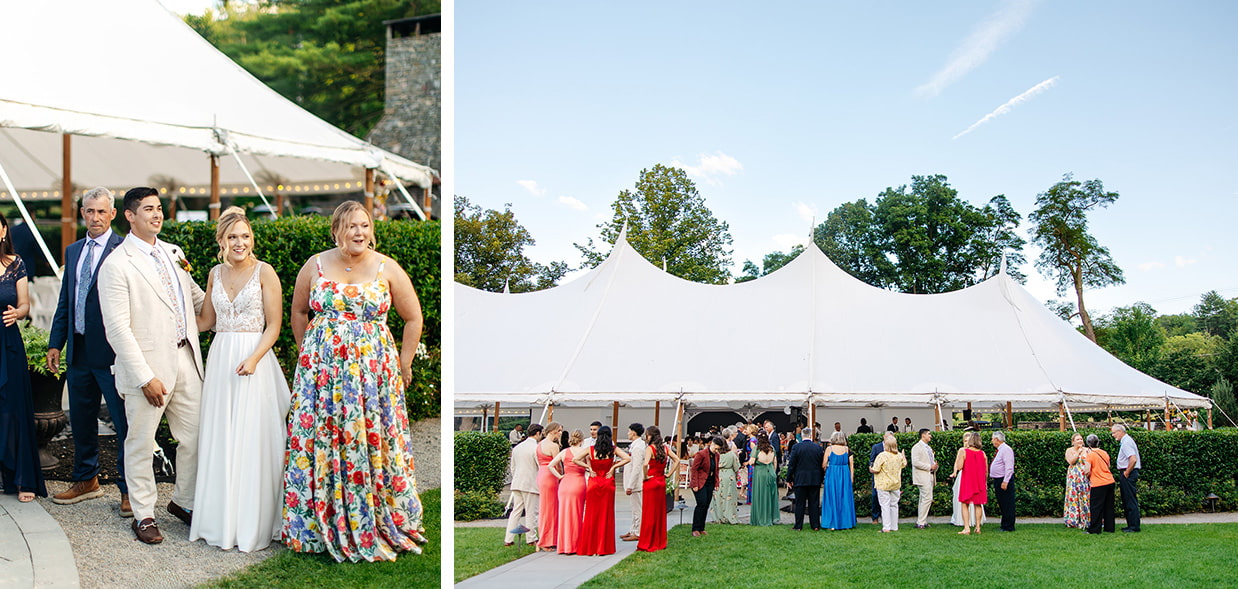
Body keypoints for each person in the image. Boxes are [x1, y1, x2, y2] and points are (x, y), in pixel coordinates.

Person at [282, 200, 427, 562]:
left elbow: (414, 318)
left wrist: (403, 362)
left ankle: (374, 517)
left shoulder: (386, 268)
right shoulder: (314, 265)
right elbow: (298, 311)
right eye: (351, 226)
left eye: (364, 226)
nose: (359, 232)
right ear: (337, 230)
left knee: (371, 438)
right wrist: (309, 353)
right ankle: (317, 522)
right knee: (324, 441)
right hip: (321, 376)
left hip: (373, 375)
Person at [98, 187, 206, 544]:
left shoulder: (175, 253)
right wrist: (145, 376)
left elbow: (198, 301)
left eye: (159, 209)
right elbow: (117, 328)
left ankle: (184, 502)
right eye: (148, 209)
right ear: (129, 216)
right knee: (141, 442)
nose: (157, 215)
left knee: (193, 437)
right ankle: (143, 514)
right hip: (147, 367)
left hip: (186, 359)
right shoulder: (116, 264)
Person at [189, 207, 289, 552]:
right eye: (232, 236)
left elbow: (274, 325)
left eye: (245, 236)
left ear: (252, 239)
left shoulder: (266, 273)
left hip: (254, 359)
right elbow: (205, 321)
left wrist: (254, 358)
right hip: (221, 359)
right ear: (221, 240)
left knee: (251, 438)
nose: (239, 242)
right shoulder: (215, 274)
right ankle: (220, 522)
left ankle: (252, 523)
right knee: (221, 436)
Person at [47, 187, 128, 513]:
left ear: (112, 214)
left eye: (100, 212)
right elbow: (66, 301)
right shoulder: (73, 250)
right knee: (81, 419)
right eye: (89, 211)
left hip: (112, 353)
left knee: (123, 423)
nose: (94, 217)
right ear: (82, 213)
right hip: (78, 350)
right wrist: (56, 342)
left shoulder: (124, 249)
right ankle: (86, 479)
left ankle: (128, 489)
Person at [0, 210, 44, 504]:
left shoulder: (16, 264)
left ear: (3, 231)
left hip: (8, 341)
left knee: (14, 407)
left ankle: (21, 478)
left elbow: (26, 304)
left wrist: (18, 312)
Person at [576, 426, 630, 556]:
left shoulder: (590, 449)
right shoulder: (613, 449)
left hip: (594, 482)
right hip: (607, 482)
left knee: (591, 514)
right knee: (606, 514)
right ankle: (603, 546)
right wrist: (613, 467)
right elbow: (628, 458)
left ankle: (590, 546)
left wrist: (588, 467)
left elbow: (575, 459)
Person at [638, 426, 679, 552]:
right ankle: (659, 540)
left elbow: (645, 464)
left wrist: (645, 477)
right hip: (661, 481)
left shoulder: (650, 449)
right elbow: (677, 460)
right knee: (659, 513)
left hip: (651, 481)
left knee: (648, 513)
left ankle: (647, 542)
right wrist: (669, 474)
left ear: (650, 436)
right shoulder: (665, 448)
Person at [505, 423, 543, 546]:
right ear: (537, 433)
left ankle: (508, 538)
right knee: (531, 512)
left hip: (517, 482)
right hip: (530, 483)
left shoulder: (518, 448)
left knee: (516, 511)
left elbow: (513, 467)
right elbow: (539, 466)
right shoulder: (536, 448)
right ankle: (531, 538)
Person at [550, 429, 588, 554]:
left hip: (565, 483)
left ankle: (564, 546)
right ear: (582, 440)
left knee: (564, 514)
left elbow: (550, 465)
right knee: (577, 514)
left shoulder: (564, 452)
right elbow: (589, 467)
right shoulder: (583, 452)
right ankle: (575, 544)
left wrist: (560, 476)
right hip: (578, 483)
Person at [787, 427, 824, 531]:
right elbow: (821, 464)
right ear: (811, 436)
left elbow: (792, 464)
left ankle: (798, 526)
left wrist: (789, 478)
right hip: (814, 479)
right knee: (814, 503)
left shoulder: (796, 447)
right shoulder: (818, 448)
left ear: (802, 435)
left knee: (800, 503)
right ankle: (815, 525)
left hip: (800, 478)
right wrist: (820, 479)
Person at [952, 432, 988, 535]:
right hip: (980, 481)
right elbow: (986, 470)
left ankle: (966, 528)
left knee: (965, 504)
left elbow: (959, 467)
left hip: (968, 480)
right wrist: (985, 482)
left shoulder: (963, 451)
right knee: (978, 504)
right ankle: (977, 527)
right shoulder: (983, 453)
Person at [535, 422, 564, 552]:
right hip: (550, 476)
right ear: (552, 431)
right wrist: (561, 476)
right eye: (559, 431)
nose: (560, 433)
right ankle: (547, 540)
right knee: (551, 509)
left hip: (541, 474)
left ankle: (547, 537)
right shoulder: (553, 446)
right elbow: (557, 464)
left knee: (545, 508)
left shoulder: (539, 445)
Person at [1079, 434, 1116, 534]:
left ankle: (1095, 529)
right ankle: (1110, 527)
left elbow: (1087, 470)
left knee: (1096, 507)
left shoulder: (1090, 455)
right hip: (1110, 481)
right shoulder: (1104, 453)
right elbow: (1108, 466)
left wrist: (1088, 477)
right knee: (1109, 506)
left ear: (1088, 444)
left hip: (1098, 483)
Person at [869, 434, 906, 532]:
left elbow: (876, 469)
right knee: (894, 505)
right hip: (895, 483)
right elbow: (904, 464)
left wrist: (870, 469)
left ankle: (886, 527)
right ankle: (894, 526)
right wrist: (903, 455)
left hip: (883, 484)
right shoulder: (898, 456)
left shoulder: (882, 455)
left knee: (885, 505)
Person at [688, 435, 722, 537]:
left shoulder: (717, 456)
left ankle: (701, 527)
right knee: (701, 503)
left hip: (710, 482)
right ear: (711, 444)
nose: (716, 450)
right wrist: (694, 483)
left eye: (718, 449)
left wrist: (716, 483)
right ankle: (695, 528)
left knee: (706, 504)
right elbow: (694, 469)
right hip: (700, 482)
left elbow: (716, 470)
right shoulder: (701, 454)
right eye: (715, 448)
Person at [820, 431, 855, 530]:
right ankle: (846, 523)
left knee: (832, 497)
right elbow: (852, 465)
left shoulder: (829, 449)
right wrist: (851, 477)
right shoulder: (847, 449)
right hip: (844, 474)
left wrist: (826, 467)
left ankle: (832, 523)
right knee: (845, 498)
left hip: (833, 474)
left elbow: (824, 464)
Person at [1111, 424, 1141, 532]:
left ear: (1120, 431)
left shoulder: (1126, 442)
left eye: (1114, 433)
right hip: (1128, 472)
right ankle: (1131, 524)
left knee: (1129, 499)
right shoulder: (1126, 441)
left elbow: (1133, 459)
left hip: (1128, 472)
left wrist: (1127, 472)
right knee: (1128, 498)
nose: (1113, 435)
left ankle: (1133, 526)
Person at [748, 431, 780, 526]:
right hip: (770, 472)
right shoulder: (772, 448)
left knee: (760, 496)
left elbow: (751, 461)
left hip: (760, 473)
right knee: (770, 496)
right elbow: (775, 462)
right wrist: (773, 472)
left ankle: (760, 518)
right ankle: (771, 517)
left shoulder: (756, 449)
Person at [621, 423, 646, 542]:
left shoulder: (638, 447)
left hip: (636, 483)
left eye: (629, 431)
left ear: (634, 432)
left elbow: (636, 467)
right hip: (633, 481)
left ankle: (637, 531)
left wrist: (630, 485)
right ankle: (633, 529)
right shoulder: (635, 445)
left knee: (637, 508)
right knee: (634, 507)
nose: (628, 433)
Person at [711, 428, 741, 525]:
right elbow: (736, 467)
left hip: (718, 476)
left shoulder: (716, 455)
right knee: (730, 498)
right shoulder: (731, 454)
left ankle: (718, 516)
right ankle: (730, 516)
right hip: (729, 476)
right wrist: (736, 477)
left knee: (718, 497)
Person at [1063, 432, 1091, 529]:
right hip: (1073, 477)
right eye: (1077, 439)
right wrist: (1078, 453)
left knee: (1085, 497)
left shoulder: (1087, 450)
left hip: (1084, 477)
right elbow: (1071, 461)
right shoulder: (1069, 450)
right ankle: (1073, 519)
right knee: (1073, 496)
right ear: (1073, 442)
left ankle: (1086, 518)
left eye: (1081, 439)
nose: (1080, 441)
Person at [911, 428, 938, 529]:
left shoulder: (928, 448)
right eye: (929, 434)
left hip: (930, 475)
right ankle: (921, 522)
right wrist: (929, 467)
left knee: (924, 499)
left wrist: (934, 466)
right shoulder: (917, 447)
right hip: (922, 476)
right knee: (927, 498)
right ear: (923, 435)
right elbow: (915, 462)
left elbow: (930, 461)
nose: (930, 436)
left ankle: (923, 520)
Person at [989, 431, 1016, 532]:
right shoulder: (1001, 450)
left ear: (997, 440)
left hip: (1004, 479)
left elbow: (1009, 467)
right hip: (999, 479)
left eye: (993, 439)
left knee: (1007, 503)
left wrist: (1005, 481)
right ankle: (1004, 523)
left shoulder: (1006, 450)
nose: (992, 441)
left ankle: (1008, 525)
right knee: (1003, 503)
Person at [868, 436, 884, 524]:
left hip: (888, 476)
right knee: (875, 496)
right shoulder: (876, 447)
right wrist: (871, 468)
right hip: (877, 475)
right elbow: (872, 460)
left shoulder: (893, 447)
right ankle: (875, 517)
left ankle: (885, 517)